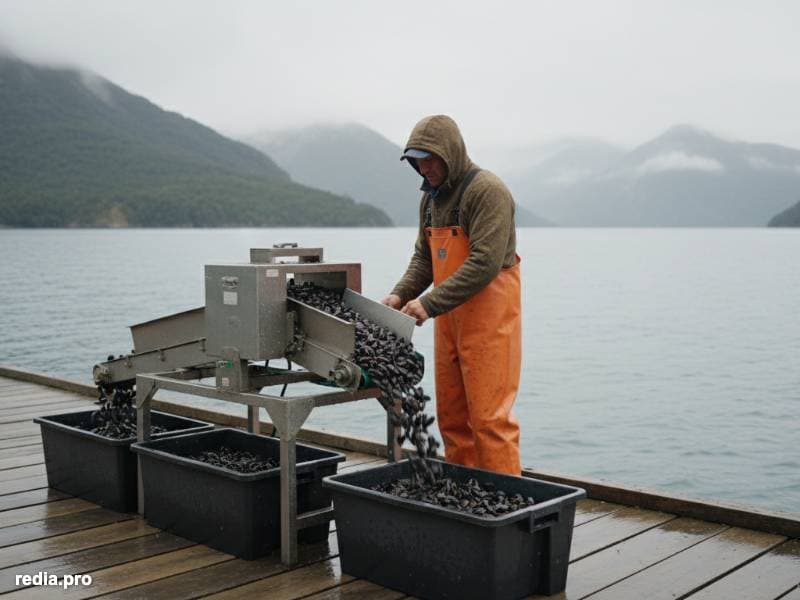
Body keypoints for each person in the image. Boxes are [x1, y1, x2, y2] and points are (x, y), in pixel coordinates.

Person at [382, 114, 522, 476]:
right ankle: (464, 495)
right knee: (452, 418)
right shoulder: (430, 201)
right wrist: (399, 295)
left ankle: (507, 500)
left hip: (489, 325)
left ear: (451, 154)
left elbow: (485, 263)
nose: (424, 168)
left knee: (490, 421)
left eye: (431, 159)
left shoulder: (486, 191)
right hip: (448, 323)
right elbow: (423, 259)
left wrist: (428, 303)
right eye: (417, 161)